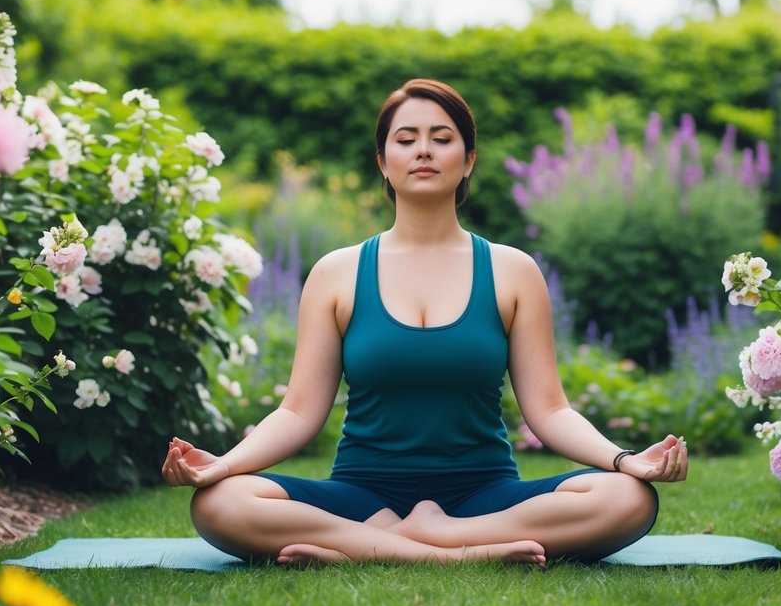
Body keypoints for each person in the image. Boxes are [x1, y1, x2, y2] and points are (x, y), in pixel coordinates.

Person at [161, 78, 688, 566]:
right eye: (406, 139)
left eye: (442, 138)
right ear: (383, 161)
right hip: (364, 496)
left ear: (469, 159)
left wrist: (625, 462)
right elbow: (298, 412)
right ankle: (446, 551)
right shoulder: (336, 273)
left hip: (486, 495)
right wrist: (224, 466)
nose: (424, 151)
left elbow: (550, 411)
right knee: (219, 504)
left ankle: (384, 545)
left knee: (630, 499)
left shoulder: (512, 271)